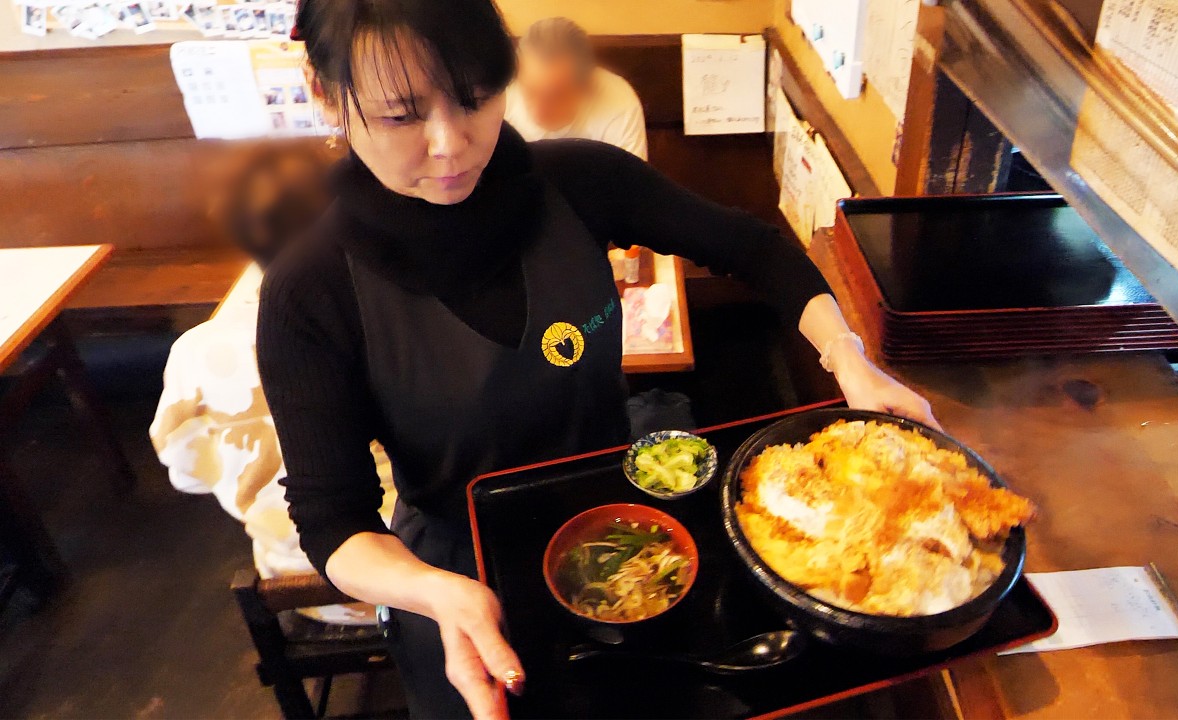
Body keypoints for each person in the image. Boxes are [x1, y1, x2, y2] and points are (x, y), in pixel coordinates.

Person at [264, 0, 936, 716]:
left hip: (629, 533)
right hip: (455, 579)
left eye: (474, 98)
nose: (451, 143)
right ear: (326, 93)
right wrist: (432, 592)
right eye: (402, 115)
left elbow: (754, 247)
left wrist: (849, 358)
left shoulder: (578, 182)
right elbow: (333, 521)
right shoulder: (309, 288)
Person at [150, 143, 398, 625]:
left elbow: (187, 473)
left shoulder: (196, 352)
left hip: (297, 584)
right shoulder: (385, 322)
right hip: (421, 577)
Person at [504, 16, 648, 159]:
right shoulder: (501, 94)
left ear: (585, 86)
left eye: (553, 96)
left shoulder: (619, 102)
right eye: (529, 92)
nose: (538, 109)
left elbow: (632, 180)